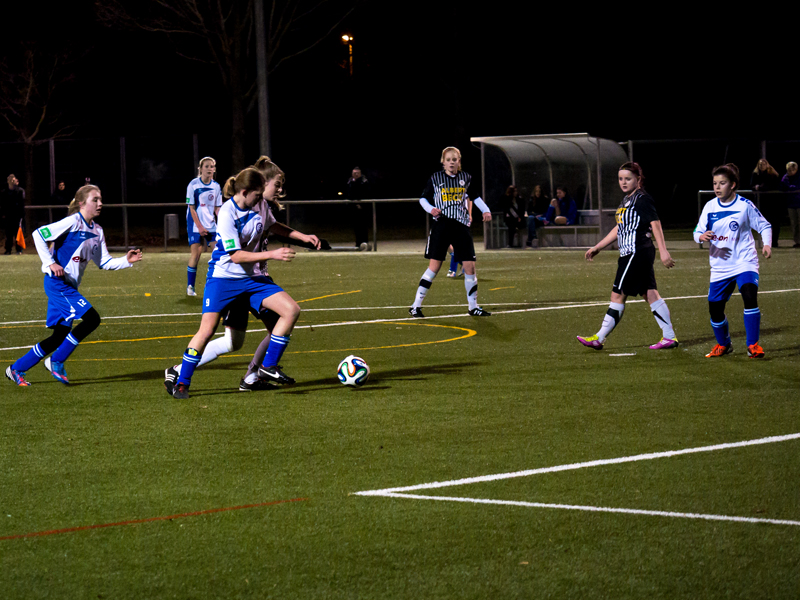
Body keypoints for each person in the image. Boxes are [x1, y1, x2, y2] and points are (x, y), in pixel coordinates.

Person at [164, 156, 321, 393]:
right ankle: (181, 376)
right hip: (225, 279)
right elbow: (236, 256)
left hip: (254, 279)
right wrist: (274, 254)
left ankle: (261, 372)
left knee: (288, 313)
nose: (279, 190)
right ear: (256, 186)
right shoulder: (228, 212)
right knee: (217, 335)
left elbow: (273, 225)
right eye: (276, 185)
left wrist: (302, 237)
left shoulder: (260, 204)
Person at [5, 185, 143, 386]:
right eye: (95, 199)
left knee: (59, 335)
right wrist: (49, 263)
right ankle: (56, 361)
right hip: (56, 283)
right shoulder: (73, 222)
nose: (100, 203)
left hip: (68, 287)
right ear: (81, 203)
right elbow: (37, 235)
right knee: (92, 319)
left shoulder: (97, 231)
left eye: (100, 199)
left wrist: (126, 260)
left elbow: (104, 262)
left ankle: (16, 368)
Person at [577, 162, 678, 350]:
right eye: (621, 179)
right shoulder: (626, 200)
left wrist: (664, 251)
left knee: (617, 295)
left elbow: (655, 223)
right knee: (650, 294)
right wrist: (599, 246)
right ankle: (669, 337)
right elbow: (620, 227)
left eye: (628, 179)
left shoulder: (642, 199)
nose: (623, 182)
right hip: (634, 252)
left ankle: (598, 338)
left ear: (638, 180)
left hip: (636, 252)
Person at [694, 164, 772, 358]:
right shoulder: (710, 207)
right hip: (720, 266)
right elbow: (696, 232)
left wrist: (767, 244)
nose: (717, 187)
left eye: (722, 183)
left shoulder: (744, 206)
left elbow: (764, 226)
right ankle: (724, 344)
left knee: (749, 296)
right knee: (715, 310)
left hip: (745, 261)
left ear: (733, 185)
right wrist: (701, 236)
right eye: (715, 183)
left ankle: (753, 345)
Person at [408, 146, 493, 318]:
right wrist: (431, 209)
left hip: (460, 225)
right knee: (434, 267)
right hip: (442, 225)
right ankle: (415, 306)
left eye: (454, 159)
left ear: (459, 161)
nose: (451, 162)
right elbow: (423, 198)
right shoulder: (436, 177)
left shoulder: (466, 178)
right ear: (443, 162)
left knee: (470, 266)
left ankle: (473, 307)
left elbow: (475, 197)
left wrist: (486, 210)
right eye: (448, 160)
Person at [185, 157, 223, 296]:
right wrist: (200, 227)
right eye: (207, 166)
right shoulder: (193, 185)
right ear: (200, 169)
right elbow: (192, 208)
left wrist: (224, 223)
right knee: (197, 253)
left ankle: (215, 284)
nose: (210, 169)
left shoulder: (216, 186)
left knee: (218, 254)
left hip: (211, 224)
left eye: (212, 166)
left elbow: (218, 208)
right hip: (195, 224)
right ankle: (190, 287)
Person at [750, 159, 782, 246]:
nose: (762, 166)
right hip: (761, 202)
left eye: (764, 164)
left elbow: (771, 186)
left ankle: (774, 242)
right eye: (760, 164)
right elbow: (751, 185)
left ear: (767, 164)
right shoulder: (755, 174)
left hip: (772, 202)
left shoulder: (772, 174)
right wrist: (757, 187)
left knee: (774, 222)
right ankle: (765, 242)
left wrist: (759, 187)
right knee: (763, 223)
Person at [345, 166, 371, 248]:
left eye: (357, 173)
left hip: (362, 207)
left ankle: (364, 243)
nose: (355, 175)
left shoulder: (364, 181)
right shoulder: (350, 181)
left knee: (363, 226)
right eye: (354, 173)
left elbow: (364, 193)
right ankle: (358, 243)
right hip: (353, 207)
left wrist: (360, 204)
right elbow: (349, 193)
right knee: (356, 226)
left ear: (360, 173)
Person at [1, 174, 26, 255]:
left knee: (17, 233)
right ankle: (8, 249)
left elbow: (22, 204)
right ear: (8, 181)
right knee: (8, 234)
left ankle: (19, 249)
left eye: (13, 179)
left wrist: (22, 215)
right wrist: (3, 214)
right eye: (10, 179)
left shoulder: (20, 191)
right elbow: (3, 204)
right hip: (8, 216)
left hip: (17, 215)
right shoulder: (4, 192)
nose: (12, 181)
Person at [780, 161, 800, 248]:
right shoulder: (785, 177)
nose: (790, 172)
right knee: (794, 223)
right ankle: (797, 241)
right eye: (789, 170)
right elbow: (782, 186)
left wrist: (790, 188)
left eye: (792, 170)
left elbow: (796, 186)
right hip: (791, 204)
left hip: (799, 202)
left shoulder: (799, 176)